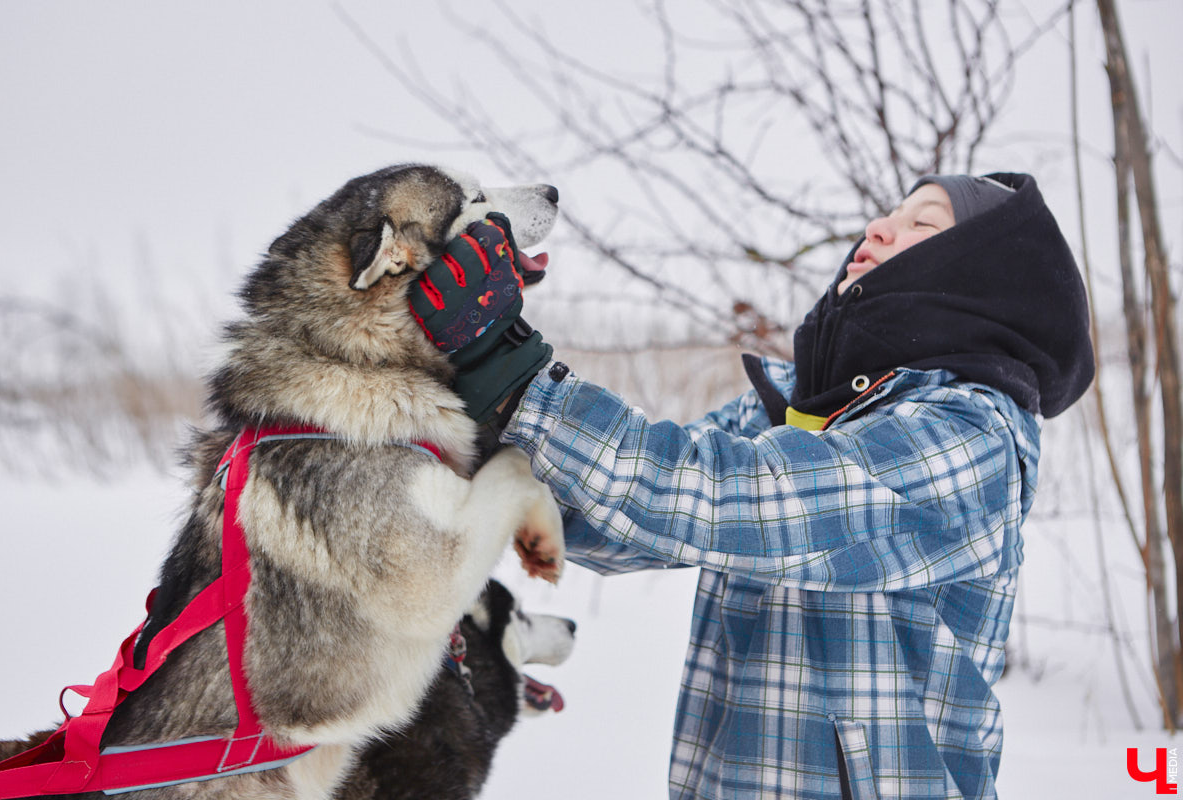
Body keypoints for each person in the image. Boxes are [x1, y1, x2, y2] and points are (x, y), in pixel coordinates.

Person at [408, 172, 1094, 800]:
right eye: (889, 212)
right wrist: (470, 422)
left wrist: (514, 374)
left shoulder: (970, 435)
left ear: (976, 277)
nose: (879, 227)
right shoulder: (798, 406)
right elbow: (628, 520)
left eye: (923, 224)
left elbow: (733, 500)